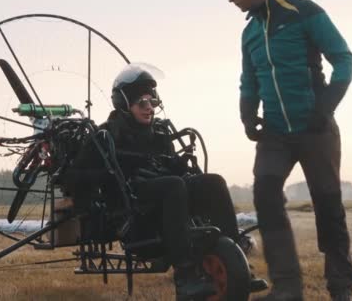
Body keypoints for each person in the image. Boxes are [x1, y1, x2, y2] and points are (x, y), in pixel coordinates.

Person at [224, 0, 352, 300]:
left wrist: (324, 106)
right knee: (265, 194)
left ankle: (340, 285)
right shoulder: (250, 32)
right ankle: (287, 287)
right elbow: (249, 80)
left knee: (328, 204)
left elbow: (345, 59)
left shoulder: (304, 12)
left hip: (315, 128)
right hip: (275, 133)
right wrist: (247, 114)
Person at [65, 63, 241, 299]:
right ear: (125, 104)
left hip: (164, 200)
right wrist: (108, 174)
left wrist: (177, 165)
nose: (150, 108)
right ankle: (185, 278)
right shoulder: (105, 136)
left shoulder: (158, 133)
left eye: (153, 102)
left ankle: (236, 256)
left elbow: (169, 168)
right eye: (142, 103)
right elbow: (72, 179)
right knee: (174, 186)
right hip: (133, 213)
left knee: (213, 182)